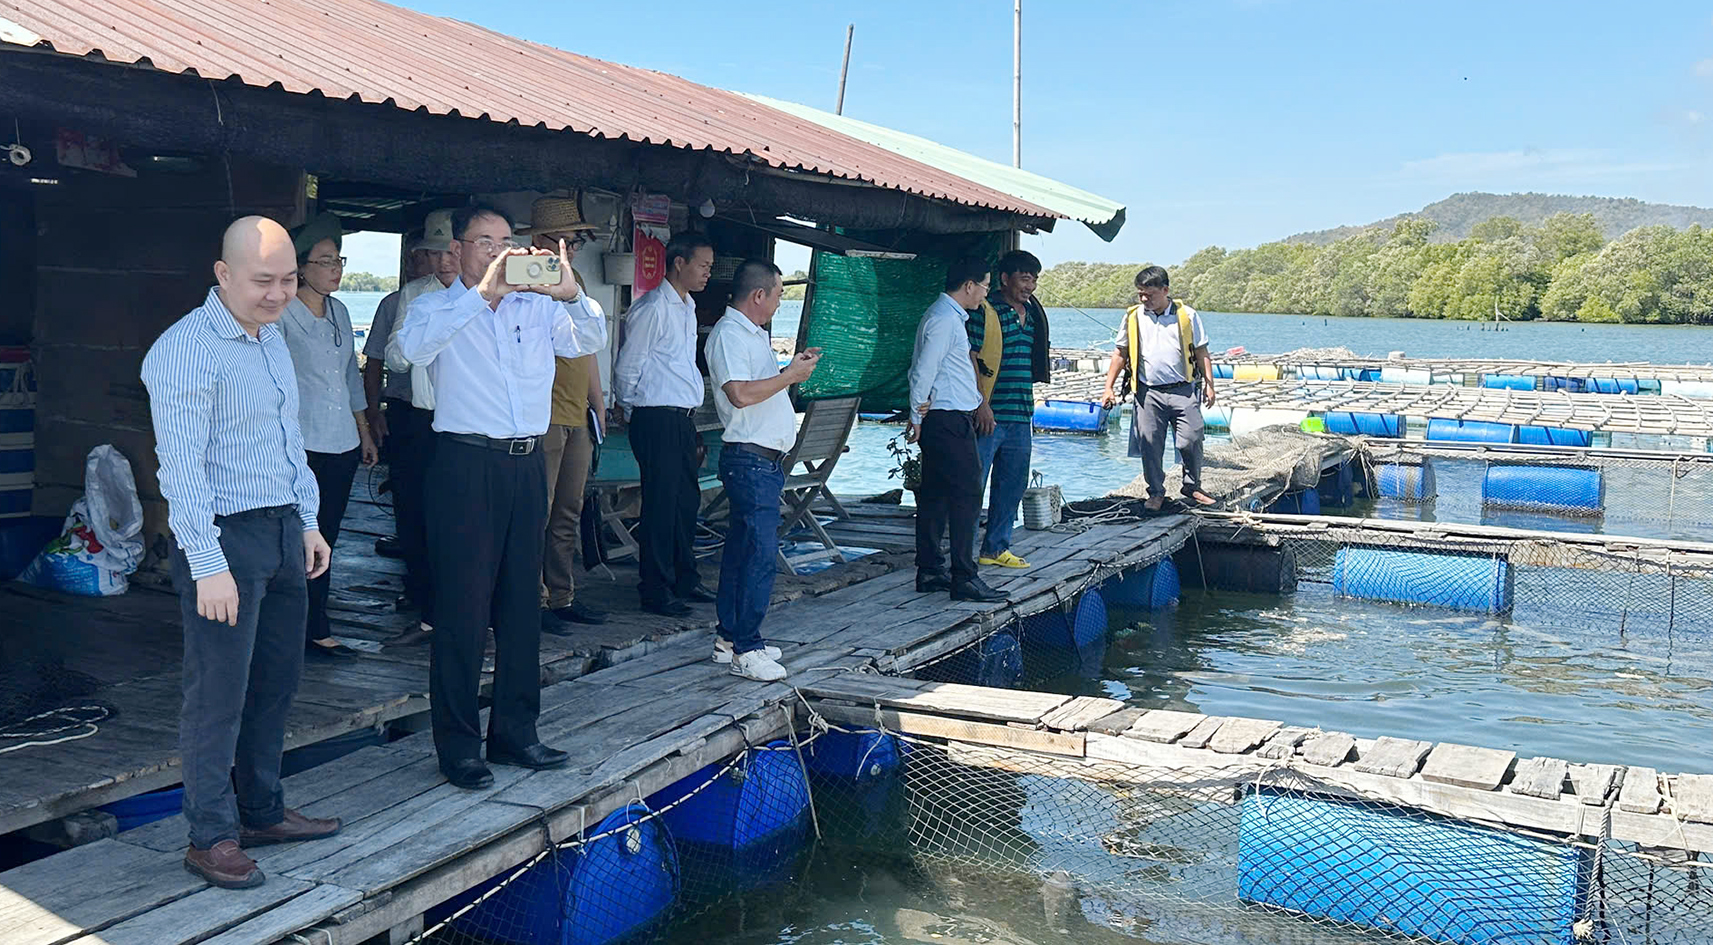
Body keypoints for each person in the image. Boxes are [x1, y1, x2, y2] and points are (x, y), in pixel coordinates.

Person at [141, 216, 341, 889]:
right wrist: (205, 560)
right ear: (223, 274)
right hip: (224, 536)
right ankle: (211, 834)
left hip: (284, 531)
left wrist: (309, 521)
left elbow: (289, 440)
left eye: (289, 279)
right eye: (264, 280)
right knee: (216, 694)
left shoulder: (271, 338)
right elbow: (181, 469)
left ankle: (262, 808)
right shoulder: (183, 350)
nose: (279, 293)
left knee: (276, 684)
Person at [395, 204, 607, 790]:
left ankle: (517, 732)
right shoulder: (435, 305)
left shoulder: (537, 304)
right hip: (464, 461)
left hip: (525, 462)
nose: (497, 251)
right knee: (462, 609)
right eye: (483, 241)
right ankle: (459, 746)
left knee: (520, 603)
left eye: (504, 241)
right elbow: (408, 353)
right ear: (456, 251)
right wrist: (481, 296)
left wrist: (570, 293)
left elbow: (588, 340)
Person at [705, 260, 819, 681]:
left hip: (762, 459)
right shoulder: (730, 334)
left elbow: (759, 388)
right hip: (750, 459)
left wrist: (789, 370)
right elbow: (738, 394)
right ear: (759, 296)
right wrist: (790, 375)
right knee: (759, 554)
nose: (777, 305)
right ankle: (746, 648)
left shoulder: (750, 335)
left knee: (742, 552)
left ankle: (730, 638)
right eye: (776, 296)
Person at [280, 213, 378, 659]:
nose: (335, 268)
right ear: (301, 267)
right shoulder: (280, 313)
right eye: (325, 261)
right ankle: (286, 626)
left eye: (338, 259)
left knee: (329, 536)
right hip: (298, 444)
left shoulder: (340, 311)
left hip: (341, 442)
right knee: (294, 535)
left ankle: (317, 626)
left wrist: (366, 432)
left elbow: (350, 380)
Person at [612, 233, 716, 618]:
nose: (707, 273)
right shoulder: (653, 307)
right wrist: (629, 405)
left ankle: (684, 575)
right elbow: (628, 365)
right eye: (702, 265)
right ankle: (654, 587)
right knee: (659, 503)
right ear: (679, 264)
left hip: (682, 416)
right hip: (656, 415)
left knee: (685, 502)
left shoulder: (686, 307)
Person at [369, 209, 458, 640]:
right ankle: (425, 600)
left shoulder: (487, 296)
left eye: (451, 252)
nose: (444, 261)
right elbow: (396, 357)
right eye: (435, 252)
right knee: (415, 512)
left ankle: (461, 605)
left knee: (459, 519)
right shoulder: (414, 295)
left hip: (465, 424)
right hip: (420, 418)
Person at [520, 196, 608, 631]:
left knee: (568, 511)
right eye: (568, 241)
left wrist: (598, 401)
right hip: (544, 413)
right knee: (540, 509)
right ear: (541, 240)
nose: (573, 250)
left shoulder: (576, 286)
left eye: (577, 242)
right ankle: (532, 598)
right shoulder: (525, 284)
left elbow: (588, 346)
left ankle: (561, 595)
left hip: (576, 414)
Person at [907, 258, 1007, 603]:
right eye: (984, 286)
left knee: (935, 493)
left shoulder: (948, 317)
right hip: (946, 417)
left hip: (949, 413)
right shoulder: (944, 320)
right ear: (969, 285)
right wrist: (916, 415)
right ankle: (964, 575)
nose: (986, 293)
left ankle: (931, 568)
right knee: (967, 494)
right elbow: (923, 368)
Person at [1100, 265, 1218, 512]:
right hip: (1148, 392)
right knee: (1150, 443)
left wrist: (1209, 384)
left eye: (1150, 295)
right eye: (1141, 294)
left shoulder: (1187, 315)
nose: (1145, 299)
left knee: (1191, 439)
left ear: (1165, 290)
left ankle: (1192, 485)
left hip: (1183, 389)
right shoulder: (1133, 317)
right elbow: (1120, 352)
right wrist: (1108, 387)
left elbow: (1201, 351)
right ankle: (1155, 491)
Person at [967, 249, 1052, 570]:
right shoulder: (986, 311)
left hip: (1021, 412)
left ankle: (996, 548)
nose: (1029, 286)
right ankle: (963, 552)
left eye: (1034, 280)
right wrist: (981, 404)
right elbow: (970, 357)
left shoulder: (1032, 313)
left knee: (1012, 484)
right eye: (1024, 279)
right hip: (989, 412)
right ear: (1005, 279)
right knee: (973, 484)